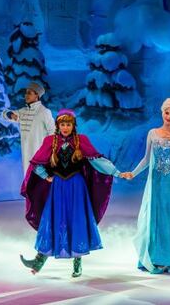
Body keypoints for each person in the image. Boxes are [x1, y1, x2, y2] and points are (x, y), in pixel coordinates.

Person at [20, 109, 124, 277]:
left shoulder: (81, 141)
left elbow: (97, 161)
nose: (65, 127)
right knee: (53, 220)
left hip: (77, 187)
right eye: (62, 124)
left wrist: (117, 172)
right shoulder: (50, 141)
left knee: (77, 220)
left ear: (73, 125)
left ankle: (77, 263)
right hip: (58, 188)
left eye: (68, 124)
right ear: (58, 125)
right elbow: (37, 163)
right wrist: (46, 176)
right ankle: (38, 261)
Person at [124, 98, 170, 274]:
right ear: (162, 112)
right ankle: (157, 258)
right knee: (156, 219)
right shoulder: (153, 133)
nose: (169, 117)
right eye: (167, 113)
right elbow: (146, 159)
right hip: (157, 184)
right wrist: (133, 173)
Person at [3, 82, 55, 174]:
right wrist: (10, 114)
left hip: (40, 154)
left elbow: (53, 132)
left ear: (37, 96)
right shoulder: (23, 111)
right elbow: (5, 114)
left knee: (40, 180)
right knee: (28, 177)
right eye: (26, 92)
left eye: (29, 93)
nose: (26, 95)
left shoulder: (44, 112)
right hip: (26, 153)